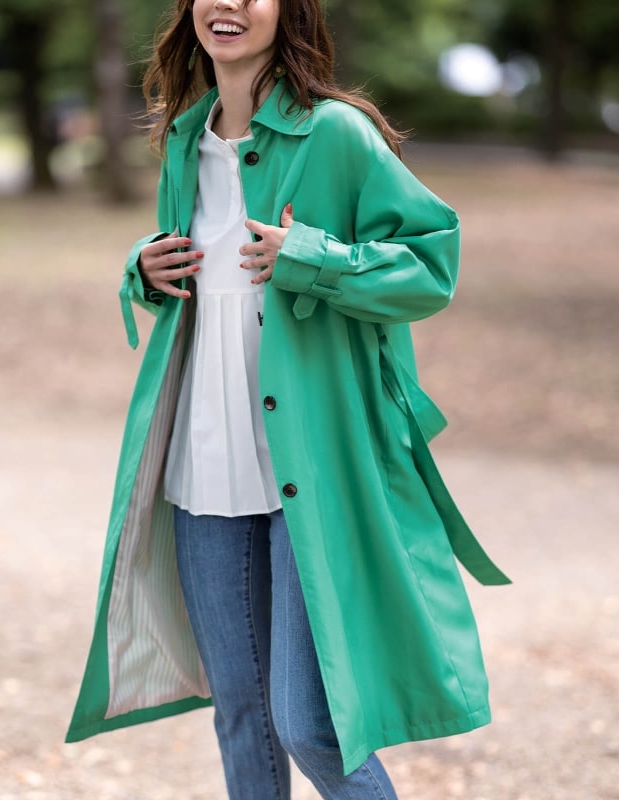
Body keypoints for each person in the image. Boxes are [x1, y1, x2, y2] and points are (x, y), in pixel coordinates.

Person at [66, 0, 510, 797]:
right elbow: (204, 290)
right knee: (241, 717)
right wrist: (144, 268)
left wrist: (314, 255)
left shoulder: (336, 134)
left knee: (309, 722)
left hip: (310, 467)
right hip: (205, 463)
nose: (230, 4)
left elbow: (430, 265)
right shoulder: (184, 140)